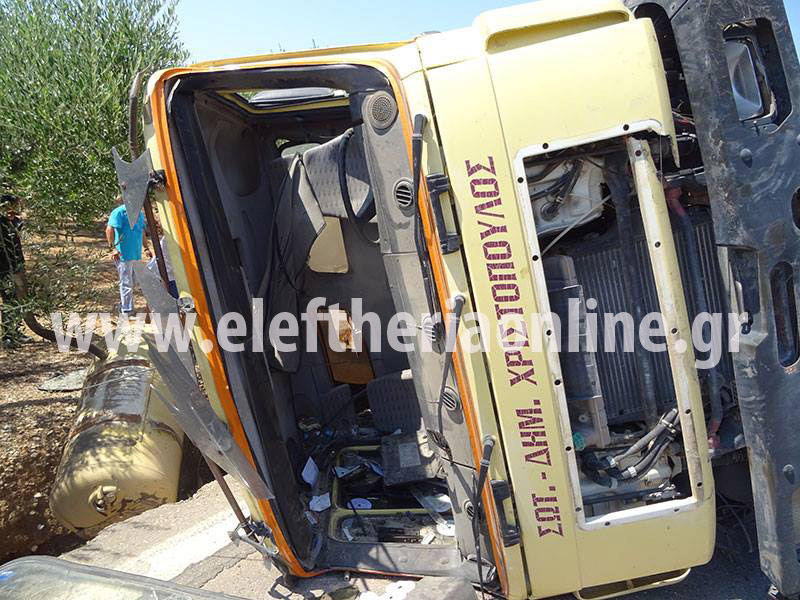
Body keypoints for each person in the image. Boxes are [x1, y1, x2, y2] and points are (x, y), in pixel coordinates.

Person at [106, 197, 149, 315]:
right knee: (126, 282)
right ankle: (127, 309)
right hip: (123, 254)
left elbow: (141, 231)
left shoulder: (139, 214)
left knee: (133, 281)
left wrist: (146, 248)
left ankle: (124, 304)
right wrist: (113, 248)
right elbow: (109, 229)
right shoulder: (119, 212)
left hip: (136, 253)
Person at [0, 194, 27, 348]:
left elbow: (20, 227)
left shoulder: (14, 222)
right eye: (12, 206)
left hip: (17, 267)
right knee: (9, 300)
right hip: (3, 269)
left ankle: (15, 331)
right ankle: (8, 337)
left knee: (17, 299)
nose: (15, 209)